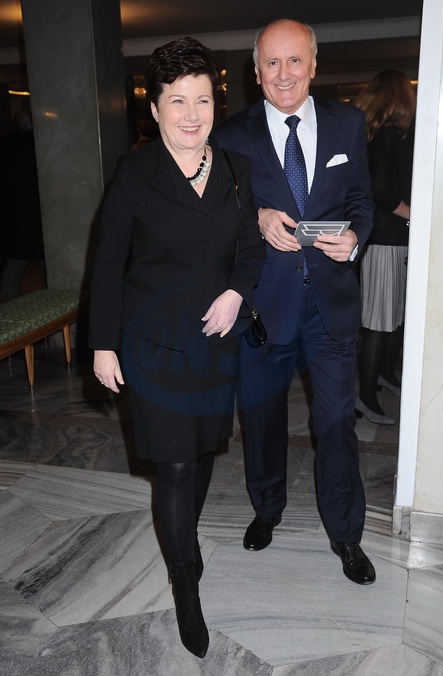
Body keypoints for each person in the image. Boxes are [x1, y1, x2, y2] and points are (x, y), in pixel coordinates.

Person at [88, 37, 265, 658]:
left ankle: (183, 543)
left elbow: (251, 250)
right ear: (155, 108)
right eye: (177, 101)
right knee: (177, 465)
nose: (192, 114)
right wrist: (102, 345)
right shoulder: (135, 174)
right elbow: (107, 265)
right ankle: (185, 582)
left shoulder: (236, 169)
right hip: (152, 345)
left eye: (203, 100)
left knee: (205, 449)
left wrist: (237, 293)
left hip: (214, 341)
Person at [214, 19, 376, 585]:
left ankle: (346, 534)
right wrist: (256, 216)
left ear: (314, 65)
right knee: (261, 420)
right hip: (264, 306)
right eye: (272, 63)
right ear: (256, 72)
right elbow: (217, 216)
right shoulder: (230, 135)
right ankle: (267, 508)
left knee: (336, 425)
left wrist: (355, 237)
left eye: (295, 61)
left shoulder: (348, 123)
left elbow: (362, 201)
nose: (284, 74)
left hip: (331, 304)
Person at [353, 70, 415, 425]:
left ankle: (385, 376)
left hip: (389, 236)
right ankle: (365, 397)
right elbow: (382, 191)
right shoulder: (386, 134)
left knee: (393, 318)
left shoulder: (377, 133)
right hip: (383, 237)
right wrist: (413, 215)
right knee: (380, 321)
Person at [0, 110, 46, 302]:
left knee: (14, 266)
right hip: (38, 216)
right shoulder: (39, 146)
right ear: (31, 124)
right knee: (48, 267)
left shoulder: (3, 146)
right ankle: (53, 309)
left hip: (10, 218)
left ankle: (6, 312)